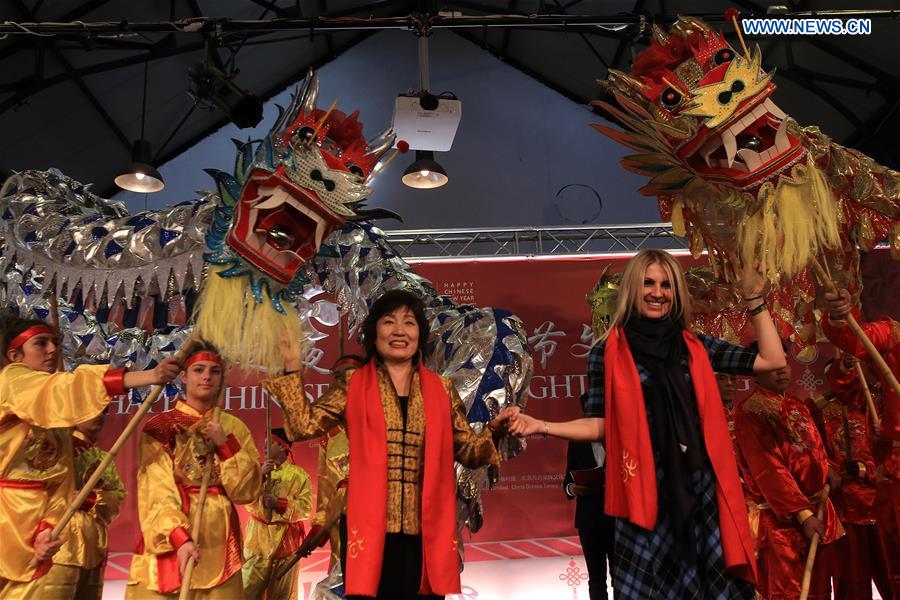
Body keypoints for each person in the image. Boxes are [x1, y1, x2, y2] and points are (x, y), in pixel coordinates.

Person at [508, 249, 787, 599]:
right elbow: (600, 426)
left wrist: (755, 300)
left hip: (700, 490)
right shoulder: (606, 352)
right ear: (632, 289)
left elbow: (771, 360)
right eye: (648, 283)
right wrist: (542, 426)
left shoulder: (694, 345)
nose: (657, 292)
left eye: (666, 285)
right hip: (643, 492)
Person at [263, 289, 512, 600]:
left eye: (409, 322)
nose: (399, 331)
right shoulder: (352, 384)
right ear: (374, 331)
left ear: (420, 334)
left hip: (427, 532)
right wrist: (290, 368)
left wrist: (495, 431)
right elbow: (303, 425)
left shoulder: (441, 389)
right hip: (369, 531)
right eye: (389, 321)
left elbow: (471, 452)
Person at [0, 316, 180, 598]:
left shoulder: (55, 420)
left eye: (55, 343)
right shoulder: (13, 380)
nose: (52, 350)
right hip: (7, 518)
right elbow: (65, 388)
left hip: (40, 530)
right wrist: (149, 376)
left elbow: (60, 483)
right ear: (15, 356)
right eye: (41, 343)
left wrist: (47, 528)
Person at [125, 343, 262, 599]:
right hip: (171, 534)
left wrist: (225, 445)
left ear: (222, 378)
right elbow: (155, 490)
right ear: (184, 376)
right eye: (199, 370)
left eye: (214, 371)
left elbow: (247, 492)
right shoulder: (161, 427)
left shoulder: (234, 427)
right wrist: (178, 536)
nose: (207, 376)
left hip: (221, 539)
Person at [733, 351, 843, 600]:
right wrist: (803, 514)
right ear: (756, 370)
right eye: (774, 366)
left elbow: (813, 448)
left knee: (819, 591)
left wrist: (827, 467)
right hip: (784, 519)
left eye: (785, 363)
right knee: (790, 592)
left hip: (817, 511)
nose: (782, 370)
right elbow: (769, 470)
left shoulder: (795, 404)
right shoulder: (751, 411)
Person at [821, 355, 892, 600]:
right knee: (852, 580)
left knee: (892, 573)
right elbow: (817, 453)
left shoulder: (877, 406)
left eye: (850, 370)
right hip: (846, 508)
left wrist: (865, 469)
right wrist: (831, 469)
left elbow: (888, 453)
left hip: (881, 503)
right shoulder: (822, 411)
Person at [47, 409, 126, 600]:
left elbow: (117, 497)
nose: (99, 415)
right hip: (61, 549)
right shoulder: (58, 449)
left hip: (94, 549)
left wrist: (89, 498)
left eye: (104, 411)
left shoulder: (103, 457)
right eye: (92, 409)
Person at [242, 427, 312, 600]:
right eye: (264, 443)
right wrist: (260, 476)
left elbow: (305, 509)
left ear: (282, 446)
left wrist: (279, 504)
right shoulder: (256, 470)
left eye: (270, 443)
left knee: (282, 595)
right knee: (246, 591)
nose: (264, 447)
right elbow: (244, 498)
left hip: (286, 543)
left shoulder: (299, 475)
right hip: (257, 540)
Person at [563, 394, 614, 600]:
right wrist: (573, 488)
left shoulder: (619, 438)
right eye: (589, 412)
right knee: (596, 578)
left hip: (617, 519)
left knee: (621, 575)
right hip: (589, 521)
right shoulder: (577, 442)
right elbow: (567, 479)